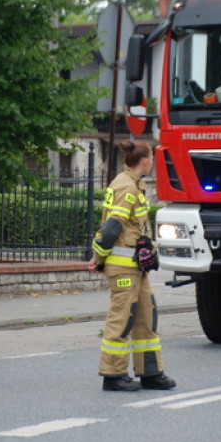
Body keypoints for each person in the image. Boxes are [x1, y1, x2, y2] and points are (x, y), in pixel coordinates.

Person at [88, 141, 175, 392]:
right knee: (122, 320)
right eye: (152, 158)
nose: (153, 162)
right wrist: (99, 258)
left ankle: (150, 373)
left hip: (137, 268)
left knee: (146, 318)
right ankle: (113, 375)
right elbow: (112, 228)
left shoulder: (134, 184)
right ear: (145, 161)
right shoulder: (126, 186)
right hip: (124, 269)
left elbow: (132, 228)